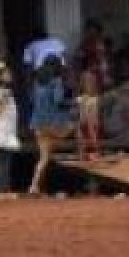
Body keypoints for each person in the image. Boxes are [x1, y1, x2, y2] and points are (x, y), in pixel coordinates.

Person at [28, 55, 72, 195]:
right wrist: (74, 102)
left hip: (37, 126)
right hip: (53, 125)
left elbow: (32, 100)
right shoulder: (56, 81)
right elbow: (59, 101)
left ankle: (33, 186)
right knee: (77, 125)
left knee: (44, 157)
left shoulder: (37, 83)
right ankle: (85, 156)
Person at [0, 62, 21, 199]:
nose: (9, 75)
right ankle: (3, 190)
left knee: (5, 160)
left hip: (8, 129)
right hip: (1, 129)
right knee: (1, 160)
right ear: (0, 76)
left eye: (9, 73)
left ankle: (5, 189)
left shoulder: (9, 92)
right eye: (6, 73)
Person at [76, 67, 101, 162]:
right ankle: (82, 154)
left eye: (91, 82)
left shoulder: (95, 98)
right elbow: (80, 112)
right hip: (83, 121)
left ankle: (94, 154)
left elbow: (95, 113)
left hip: (92, 122)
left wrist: (93, 122)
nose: (89, 84)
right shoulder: (80, 99)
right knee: (81, 135)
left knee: (92, 134)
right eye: (87, 82)